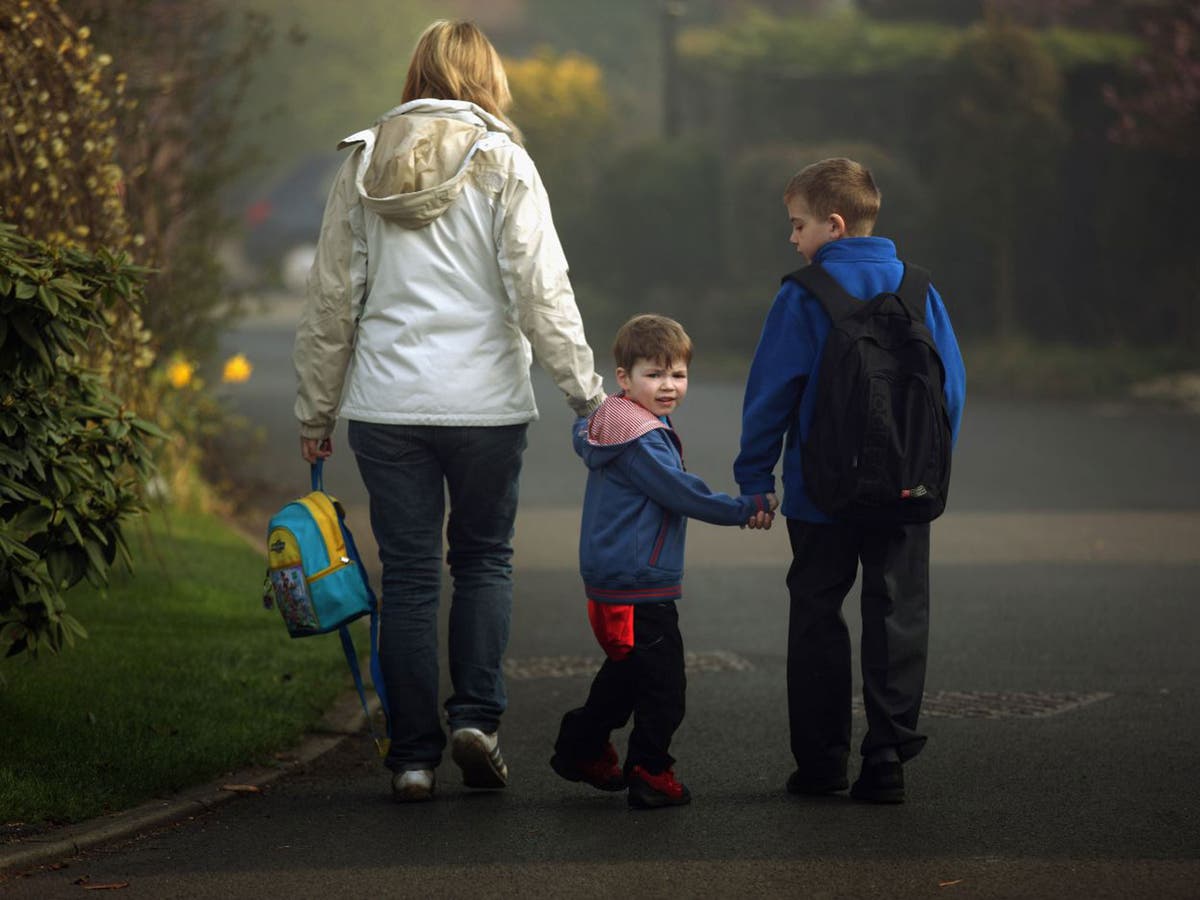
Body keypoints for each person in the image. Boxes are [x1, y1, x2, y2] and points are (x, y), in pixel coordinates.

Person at [293, 19, 606, 803]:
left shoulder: (365, 164)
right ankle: (476, 719)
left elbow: (334, 297)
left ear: (416, 73)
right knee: (484, 560)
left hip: (388, 405)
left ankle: (413, 757)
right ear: (489, 77)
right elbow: (542, 289)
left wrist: (315, 407)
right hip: (485, 408)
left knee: (407, 578)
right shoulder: (504, 161)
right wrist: (586, 394)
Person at [734, 158, 966, 804]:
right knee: (897, 614)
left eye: (798, 225)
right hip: (904, 492)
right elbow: (952, 389)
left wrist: (757, 476)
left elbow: (771, 395)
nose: (793, 239)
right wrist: (922, 465)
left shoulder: (802, 295)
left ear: (832, 226)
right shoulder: (920, 290)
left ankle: (821, 763)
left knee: (816, 614)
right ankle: (887, 758)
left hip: (820, 494)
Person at [550, 314, 776, 809]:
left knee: (629, 673)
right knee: (665, 687)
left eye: (678, 374)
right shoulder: (639, 437)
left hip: (620, 576)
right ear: (624, 378)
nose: (669, 386)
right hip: (637, 581)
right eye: (654, 374)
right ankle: (651, 771)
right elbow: (681, 493)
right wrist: (744, 509)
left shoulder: (622, 422)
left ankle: (581, 747)